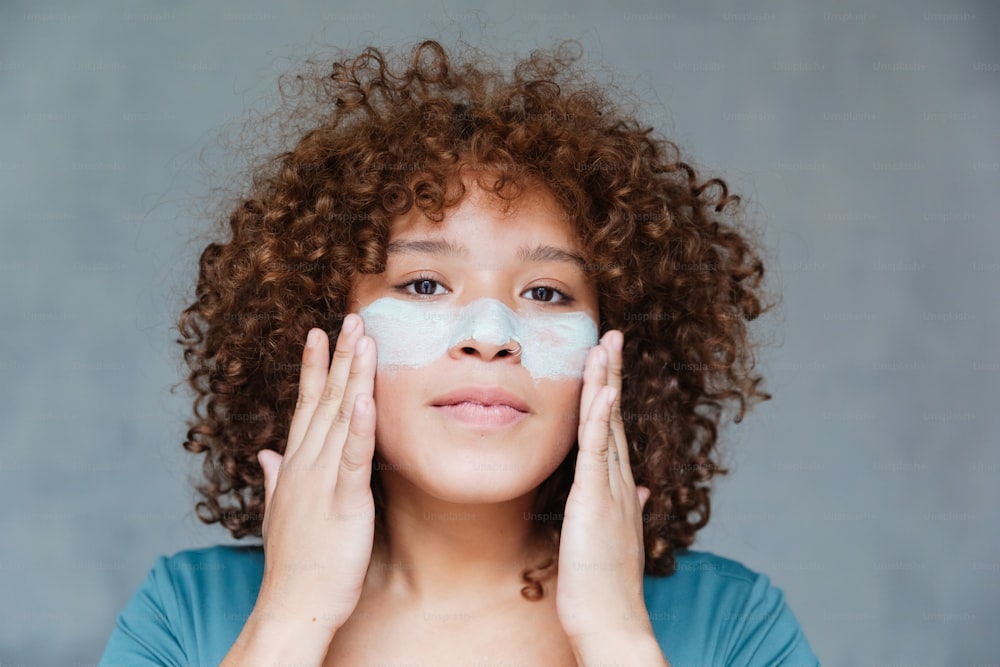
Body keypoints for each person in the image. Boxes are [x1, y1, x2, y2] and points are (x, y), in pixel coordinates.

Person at [98, 39, 820, 666]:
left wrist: (617, 637)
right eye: (422, 282)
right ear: (313, 326)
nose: (491, 332)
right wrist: (288, 620)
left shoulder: (734, 628)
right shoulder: (185, 616)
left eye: (545, 293)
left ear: (619, 350)